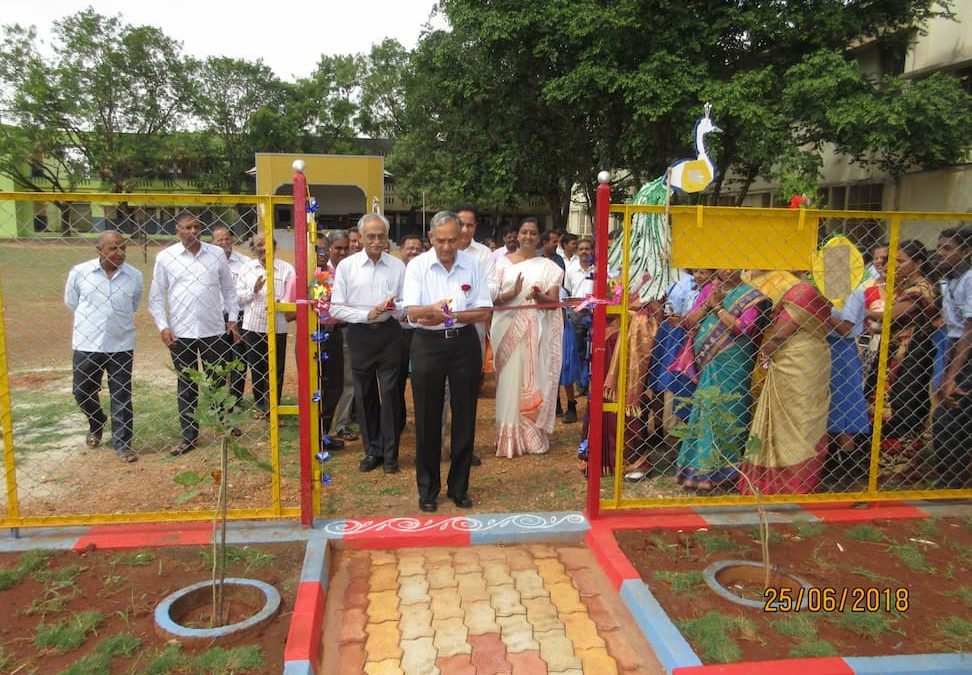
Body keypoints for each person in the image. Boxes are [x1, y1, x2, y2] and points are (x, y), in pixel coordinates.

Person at [403, 211, 492, 511]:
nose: (446, 246)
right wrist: (431, 310)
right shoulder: (417, 266)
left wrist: (449, 315)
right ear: (431, 238)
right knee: (427, 419)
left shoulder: (473, 265)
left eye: (453, 240)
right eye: (441, 240)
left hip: (464, 344)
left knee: (465, 417)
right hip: (427, 346)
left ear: (461, 237)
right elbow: (413, 312)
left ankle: (459, 487)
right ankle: (427, 490)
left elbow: (483, 311)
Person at [148, 212, 240, 455]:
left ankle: (223, 428)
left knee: (217, 381)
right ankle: (189, 435)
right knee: (186, 385)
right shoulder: (166, 258)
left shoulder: (216, 254)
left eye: (197, 227)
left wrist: (232, 319)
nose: (193, 231)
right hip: (181, 332)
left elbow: (229, 291)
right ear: (177, 230)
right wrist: (162, 326)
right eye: (187, 227)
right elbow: (156, 297)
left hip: (214, 330)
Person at [672, 269, 769, 492]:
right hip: (707, 362)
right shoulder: (709, 290)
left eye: (732, 265)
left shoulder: (751, 295)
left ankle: (726, 472)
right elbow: (689, 322)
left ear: (742, 268)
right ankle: (698, 469)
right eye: (723, 264)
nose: (726, 270)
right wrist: (708, 304)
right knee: (705, 409)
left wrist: (718, 308)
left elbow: (742, 327)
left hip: (734, 361)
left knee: (729, 409)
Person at [740, 277, 833, 494]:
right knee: (807, 419)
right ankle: (804, 479)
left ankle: (782, 481)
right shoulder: (827, 293)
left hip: (794, 360)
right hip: (816, 357)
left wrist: (764, 354)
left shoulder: (802, 291)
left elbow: (782, 333)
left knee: (788, 418)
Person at [331, 214, 405, 474]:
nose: (376, 241)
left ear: (387, 237)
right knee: (364, 395)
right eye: (370, 236)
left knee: (391, 394)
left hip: (390, 335)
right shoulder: (347, 267)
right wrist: (366, 315)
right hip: (360, 335)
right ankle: (372, 450)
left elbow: (406, 303)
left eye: (381, 236)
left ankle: (390, 454)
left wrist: (395, 307)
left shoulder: (397, 266)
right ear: (360, 238)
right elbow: (337, 308)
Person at [64, 231, 143, 463]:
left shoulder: (134, 276)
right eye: (113, 249)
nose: (119, 253)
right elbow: (72, 302)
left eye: (123, 248)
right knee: (81, 391)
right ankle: (96, 420)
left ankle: (123, 444)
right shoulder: (80, 273)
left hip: (121, 344)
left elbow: (134, 303)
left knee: (121, 395)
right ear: (99, 250)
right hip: (87, 343)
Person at [492, 218, 565, 457]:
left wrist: (539, 296)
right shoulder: (501, 264)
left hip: (536, 333)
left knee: (535, 379)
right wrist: (511, 293)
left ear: (539, 238)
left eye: (532, 233)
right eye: (523, 232)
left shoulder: (550, 267)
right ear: (517, 235)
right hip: (508, 330)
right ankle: (508, 437)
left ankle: (532, 435)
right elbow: (491, 299)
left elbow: (553, 303)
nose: (527, 237)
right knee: (510, 381)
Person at [868, 240, 937, 481]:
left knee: (903, 405)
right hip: (891, 353)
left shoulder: (921, 289)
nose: (893, 266)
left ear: (918, 262)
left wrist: (860, 311)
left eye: (900, 261)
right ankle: (879, 465)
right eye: (891, 261)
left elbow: (891, 315)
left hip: (911, 356)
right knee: (879, 403)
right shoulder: (901, 288)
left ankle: (900, 468)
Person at [284, 232, 347, 450]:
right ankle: (310, 438)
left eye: (324, 249)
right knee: (312, 387)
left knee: (335, 385)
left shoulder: (335, 274)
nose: (320, 254)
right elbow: (289, 314)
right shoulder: (299, 276)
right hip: (311, 334)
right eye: (315, 249)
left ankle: (323, 433)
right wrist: (312, 299)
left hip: (333, 333)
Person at [236, 232, 294, 419]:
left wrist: (281, 301)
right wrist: (253, 291)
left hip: (278, 326)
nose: (264, 248)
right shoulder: (246, 269)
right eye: (259, 245)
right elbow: (238, 298)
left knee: (276, 367)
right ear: (253, 249)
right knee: (257, 367)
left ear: (275, 247)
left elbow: (292, 295)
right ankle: (261, 406)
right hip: (253, 325)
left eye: (268, 244)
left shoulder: (286, 269)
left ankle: (274, 407)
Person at [933, 228, 972, 488]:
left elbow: (969, 330)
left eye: (948, 248)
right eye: (940, 247)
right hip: (955, 348)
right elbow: (951, 330)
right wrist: (945, 371)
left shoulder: (969, 279)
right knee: (946, 414)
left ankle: (956, 481)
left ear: (965, 251)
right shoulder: (947, 280)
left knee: (951, 418)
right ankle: (950, 476)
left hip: (966, 350)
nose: (940, 253)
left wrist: (953, 376)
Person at [824, 281, 872, 487]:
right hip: (825, 348)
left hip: (842, 351)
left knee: (843, 404)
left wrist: (822, 313)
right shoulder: (825, 291)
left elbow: (845, 328)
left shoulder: (852, 292)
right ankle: (831, 458)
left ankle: (847, 462)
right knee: (828, 404)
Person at [212, 226, 250, 407]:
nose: (223, 243)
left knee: (238, 361)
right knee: (217, 360)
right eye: (219, 239)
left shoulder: (245, 262)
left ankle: (235, 401)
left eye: (226, 238)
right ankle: (217, 402)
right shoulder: (208, 263)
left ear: (232, 240)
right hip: (215, 317)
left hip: (239, 316)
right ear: (212, 242)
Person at [397, 233, 425, 433]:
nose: (413, 251)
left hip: (421, 335)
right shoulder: (395, 272)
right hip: (397, 336)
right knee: (396, 382)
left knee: (421, 381)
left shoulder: (425, 272)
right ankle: (398, 423)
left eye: (417, 248)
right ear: (401, 250)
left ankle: (424, 425)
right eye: (409, 247)